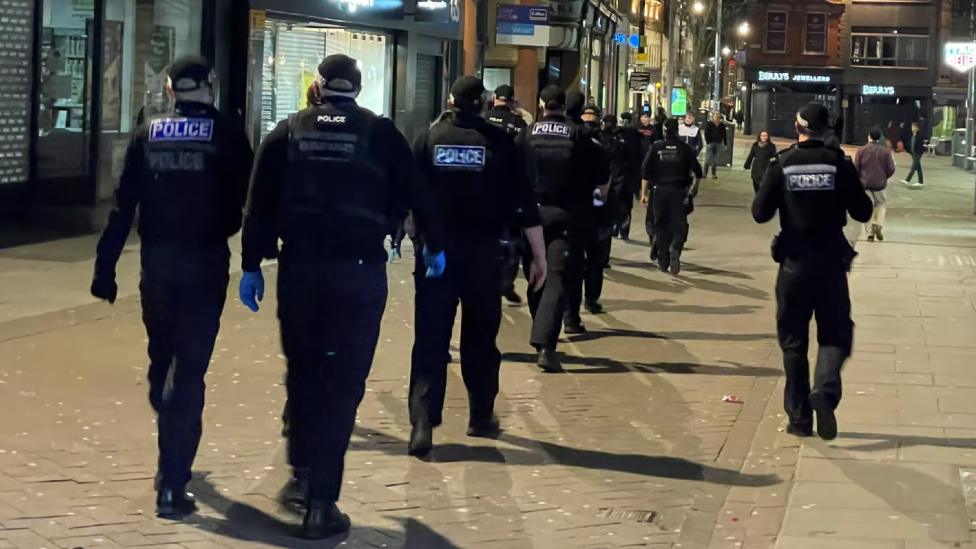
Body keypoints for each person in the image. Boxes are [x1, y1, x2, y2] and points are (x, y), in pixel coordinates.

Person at [238, 54, 444, 539]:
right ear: (358, 85)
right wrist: (431, 244)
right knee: (343, 382)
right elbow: (418, 192)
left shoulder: (286, 132)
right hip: (358, 272)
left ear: (318, 84)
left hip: (300, 271)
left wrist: (252, 265)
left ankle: (303, 475)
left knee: (305, 373)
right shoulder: (380, 133)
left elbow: (258, 204)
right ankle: (321, 503)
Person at [89, 56, 253, 519]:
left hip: (156, 264)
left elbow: (123, 204)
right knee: (189, 369)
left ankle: (170, 421)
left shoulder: (147, 134)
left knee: (164, 362)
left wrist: (105, 269)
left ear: (168, 89)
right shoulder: (226, 133)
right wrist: (257, 253)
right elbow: (250, 196)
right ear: (210, 87)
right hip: (205, 262)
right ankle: (171, 479)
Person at [407, 76, 546, 457]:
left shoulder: (429, 138)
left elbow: (410, 194)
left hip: (436, 257)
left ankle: (422, 420)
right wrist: (539, 255)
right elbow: (525, 202)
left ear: (451, 100)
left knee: (431, 340)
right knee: (481, 338)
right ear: (483, 103)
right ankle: (480, 415)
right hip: (484, 255)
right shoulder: (500, 144)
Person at [752, 102, 872, 441]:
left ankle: (799, 418)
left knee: (793, 343)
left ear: (799, 127)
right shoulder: (839, 164)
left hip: (793, 265)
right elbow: (863, 212)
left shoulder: (783, 162)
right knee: (835, 333)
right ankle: (825, 391)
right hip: (831, 264)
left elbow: (759, 213)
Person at [517, 85, 607, 373]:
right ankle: (545, 343)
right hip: (567, 214)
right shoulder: (579, 136)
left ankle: (541, 326)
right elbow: (602, 176)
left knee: (533, 269)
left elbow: (510, 173)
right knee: (555, 275)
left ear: (542, 104)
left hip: (530, 215)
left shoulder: (526, 134)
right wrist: (598, 200)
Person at [564, 104, 611, 329]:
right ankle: (580, 306)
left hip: (580, 211)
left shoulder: (573, 141)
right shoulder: (599, 144)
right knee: (590, 260)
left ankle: (584, 302)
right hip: (589, 210)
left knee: (585, 261)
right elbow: (604, 181)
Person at [485, 84, 530, 304]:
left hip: (483, 186)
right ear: (512, 100)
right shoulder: (519, 124)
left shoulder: (482, 120)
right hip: (509, 189)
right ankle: (506, 280)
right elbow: (523, 157)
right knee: (513, 238)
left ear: (494, 98)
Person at [641, 117, 702, 275]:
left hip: (659, 191)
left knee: (661, 226)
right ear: (677, 130)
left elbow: (645, 172)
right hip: (679, 191)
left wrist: (644, 193)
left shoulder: (656, 147)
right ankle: (675, 249)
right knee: (679, 225)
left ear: (664, 130)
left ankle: (663, 260)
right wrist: (693, 190)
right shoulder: (685, 148)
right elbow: (698, 172)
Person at [855, 127, 895, 242]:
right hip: (880, 185)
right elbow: (891, 168)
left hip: (865, 184)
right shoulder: (886, 151)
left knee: (868, 207)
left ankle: (870, 233)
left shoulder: (861, 150)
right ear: (880, 138)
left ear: (869, 136)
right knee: (881, 205)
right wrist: (884, 177)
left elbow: (856, 168)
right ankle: (878, 225)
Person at [703, 112, 727, 179]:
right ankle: (704, 173)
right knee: (708, 158)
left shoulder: (721, 125)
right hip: (710, 143)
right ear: (713, 117)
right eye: (716, 116)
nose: (717, 118)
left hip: (718, 143)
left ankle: (713, 174)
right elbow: (706, 134)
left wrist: (725, 143)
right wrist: (708, 143)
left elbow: (724, 134)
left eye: (719, 117)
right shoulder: (709, 124)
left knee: (715, 160)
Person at [901, 122, 925, 188]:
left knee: (913, 167)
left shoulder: (919, 135)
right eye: (912, 127)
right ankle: (920, 182)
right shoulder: (913, 135)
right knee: (918, 168)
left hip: (918, 153)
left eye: (914, 127)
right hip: (914, 153)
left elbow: (920, 145)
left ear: (917, 128)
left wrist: (918, 152)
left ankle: (907, 180)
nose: (913, 128)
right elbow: (912, 144)